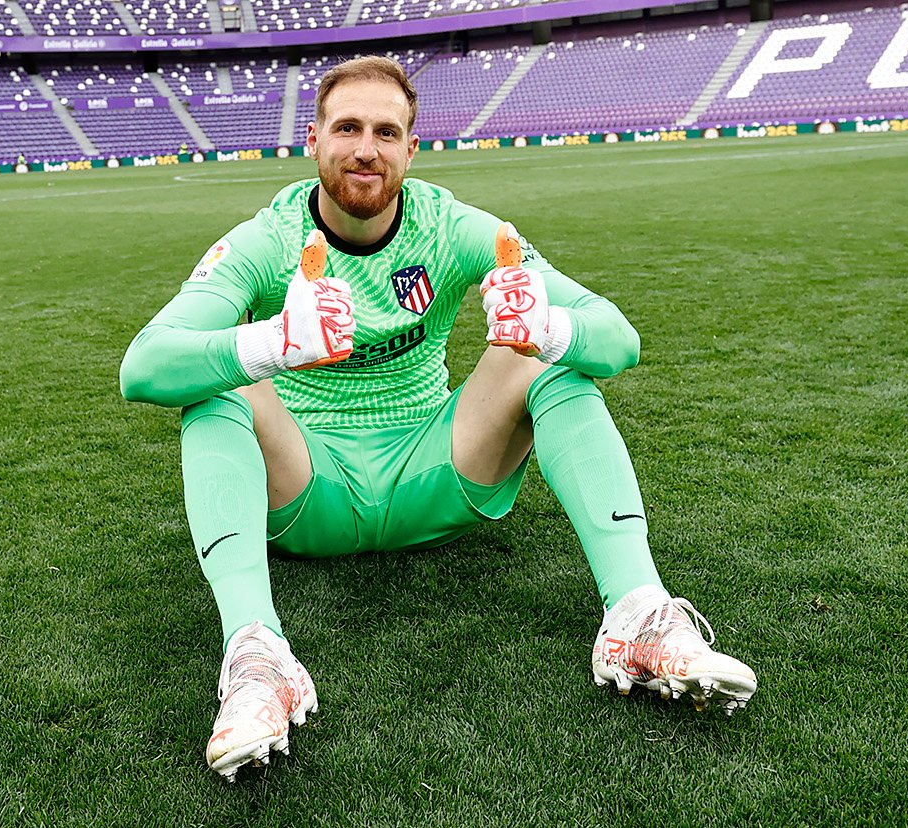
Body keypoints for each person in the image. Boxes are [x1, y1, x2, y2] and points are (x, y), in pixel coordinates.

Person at [119, 56, 757, 782]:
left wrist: (549, 328)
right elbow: (143, 368)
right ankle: (258, 658)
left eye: (386, 131)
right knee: (217, 386)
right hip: (304, 490)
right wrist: (270, 344)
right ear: (314, 140)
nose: (366, 147)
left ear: (411, 149)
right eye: (348, 128)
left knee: (542, 353)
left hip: (437, 475)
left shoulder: (452, 227)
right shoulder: (267, 241)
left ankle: (636, 616)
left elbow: (617, 338)